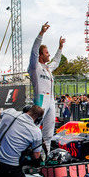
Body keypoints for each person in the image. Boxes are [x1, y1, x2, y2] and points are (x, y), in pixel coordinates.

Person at [28, 22, 65, 152]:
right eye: (46, 52)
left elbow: (56, 61)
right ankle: (31, 154)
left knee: (49, 132)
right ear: (40, 55)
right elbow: (33, 51)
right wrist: (41, 34)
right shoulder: (34, 67)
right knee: (34, 128)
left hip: (51, 101)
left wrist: (60, 48)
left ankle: (46, 155)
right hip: (40, 100)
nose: (48, 54)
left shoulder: (48, 68)